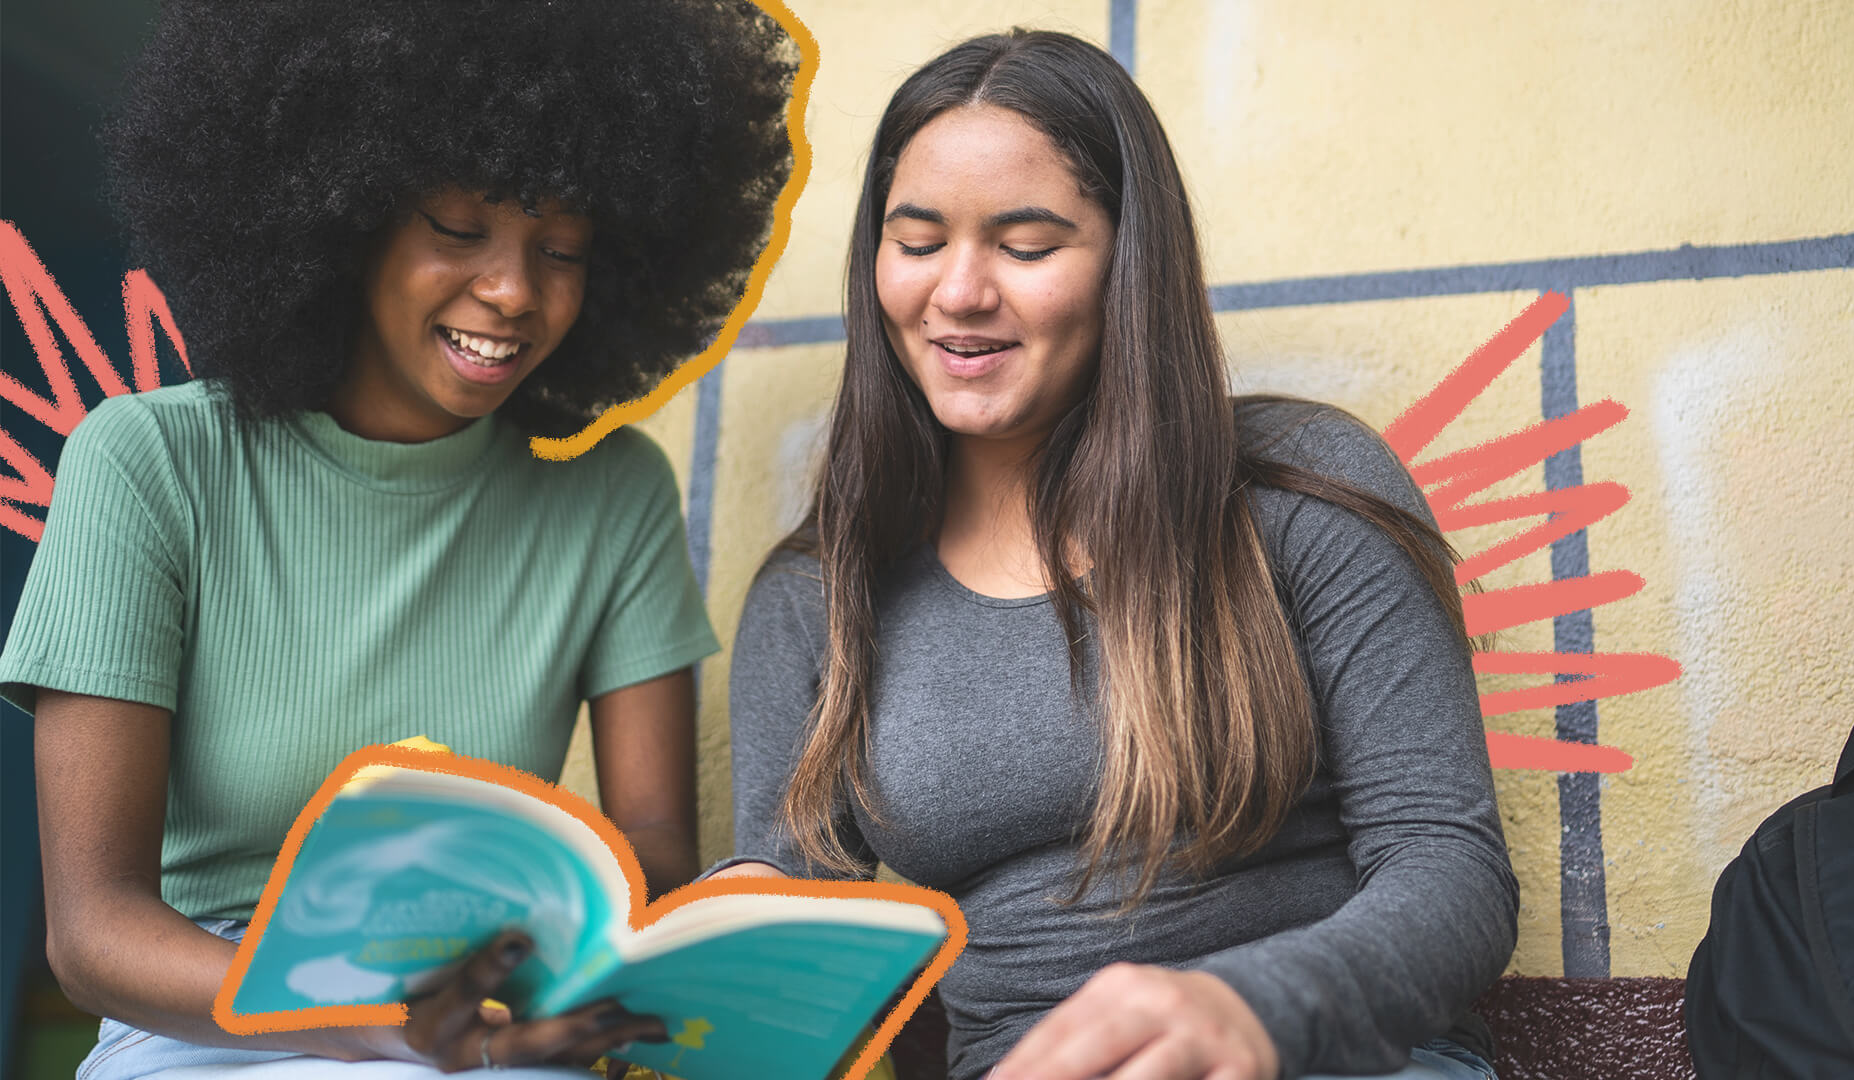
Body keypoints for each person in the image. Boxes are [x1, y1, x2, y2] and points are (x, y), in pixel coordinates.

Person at [0, 1, 792, 1076]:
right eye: (458, 230)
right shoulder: (151, 464)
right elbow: (92, 938)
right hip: (210, 1021)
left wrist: (692, 923)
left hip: (492, 1019)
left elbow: (649, 853)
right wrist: (368, 1025)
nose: (513, 292)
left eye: (560, 249)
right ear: (347, 214)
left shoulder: (613, 498)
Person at [719, 29, 1519, 1080]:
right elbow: (787, 968)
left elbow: (1451, 869)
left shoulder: (1300, 488)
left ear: (1127, 265)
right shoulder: (818, 594)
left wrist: (1249, 1010)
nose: (957, 291)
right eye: (917, 242)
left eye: (1027, 245)